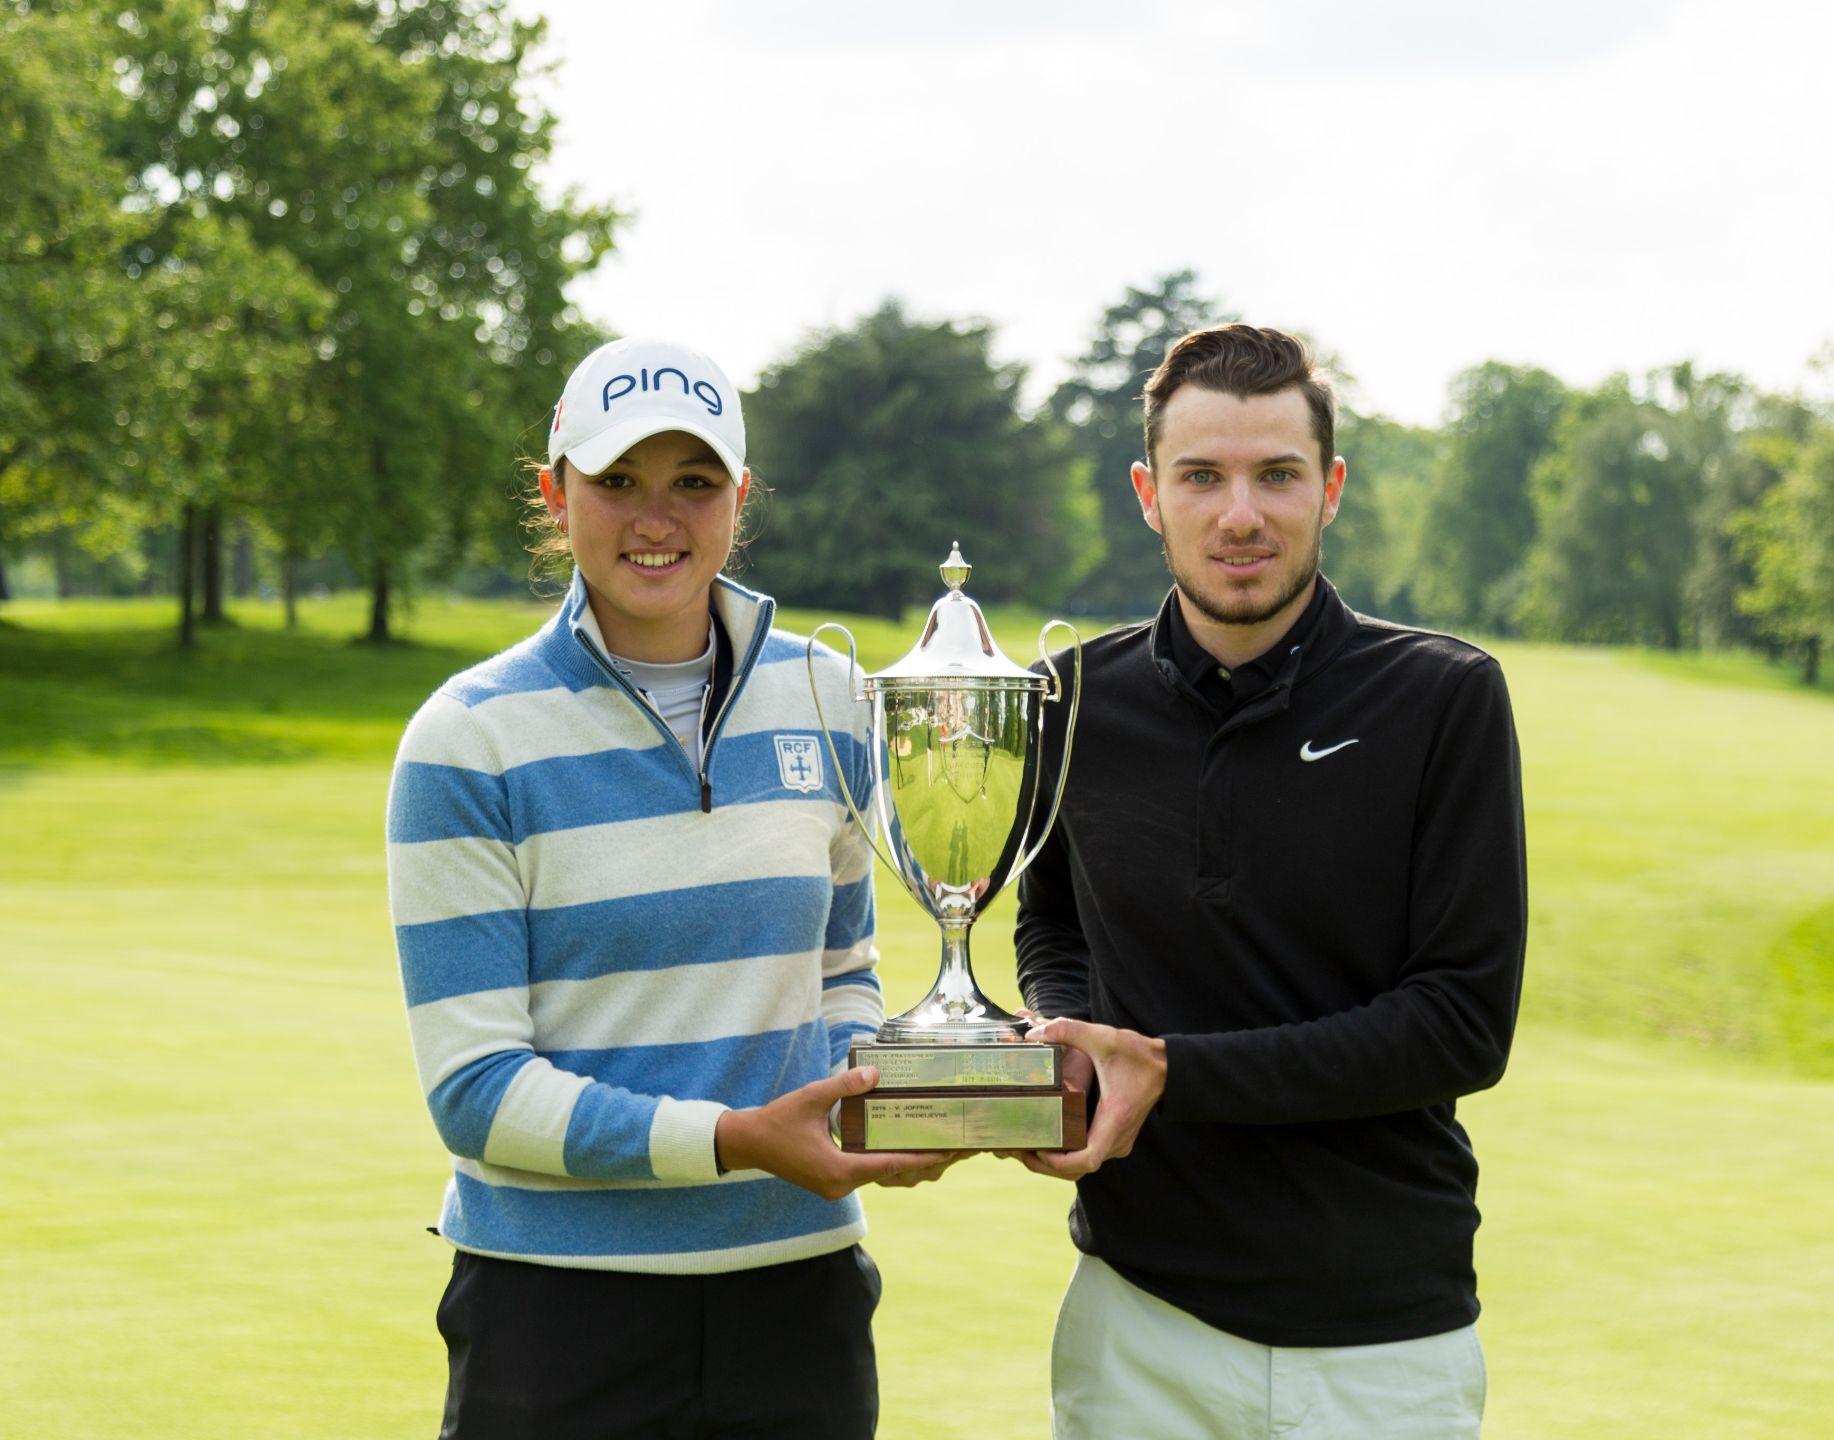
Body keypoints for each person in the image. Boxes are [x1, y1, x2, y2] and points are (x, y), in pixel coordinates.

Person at [387, 335, 953, 1439]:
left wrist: (875, 1084)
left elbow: (842, 967)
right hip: (555, 1313)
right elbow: (475, 1088)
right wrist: (740, 1138)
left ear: (739, 499)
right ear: (558, 493)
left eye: (694, 483)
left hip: (797, 1297)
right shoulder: (468, 737)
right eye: (618, 481)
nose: (658, 518)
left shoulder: (830, 696)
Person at [1012, 323, 1527, 1438]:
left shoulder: (1444, 699)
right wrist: (1065, 1034)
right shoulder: (1067, 701)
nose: (1239, 514)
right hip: (1136, 1320)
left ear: (1329, 488)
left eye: (1276, 475)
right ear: (1151, 493)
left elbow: (1460, 1026)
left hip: (1385, 1341)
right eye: (1202, 476)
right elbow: (1053, 919)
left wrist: (1163, 1072)